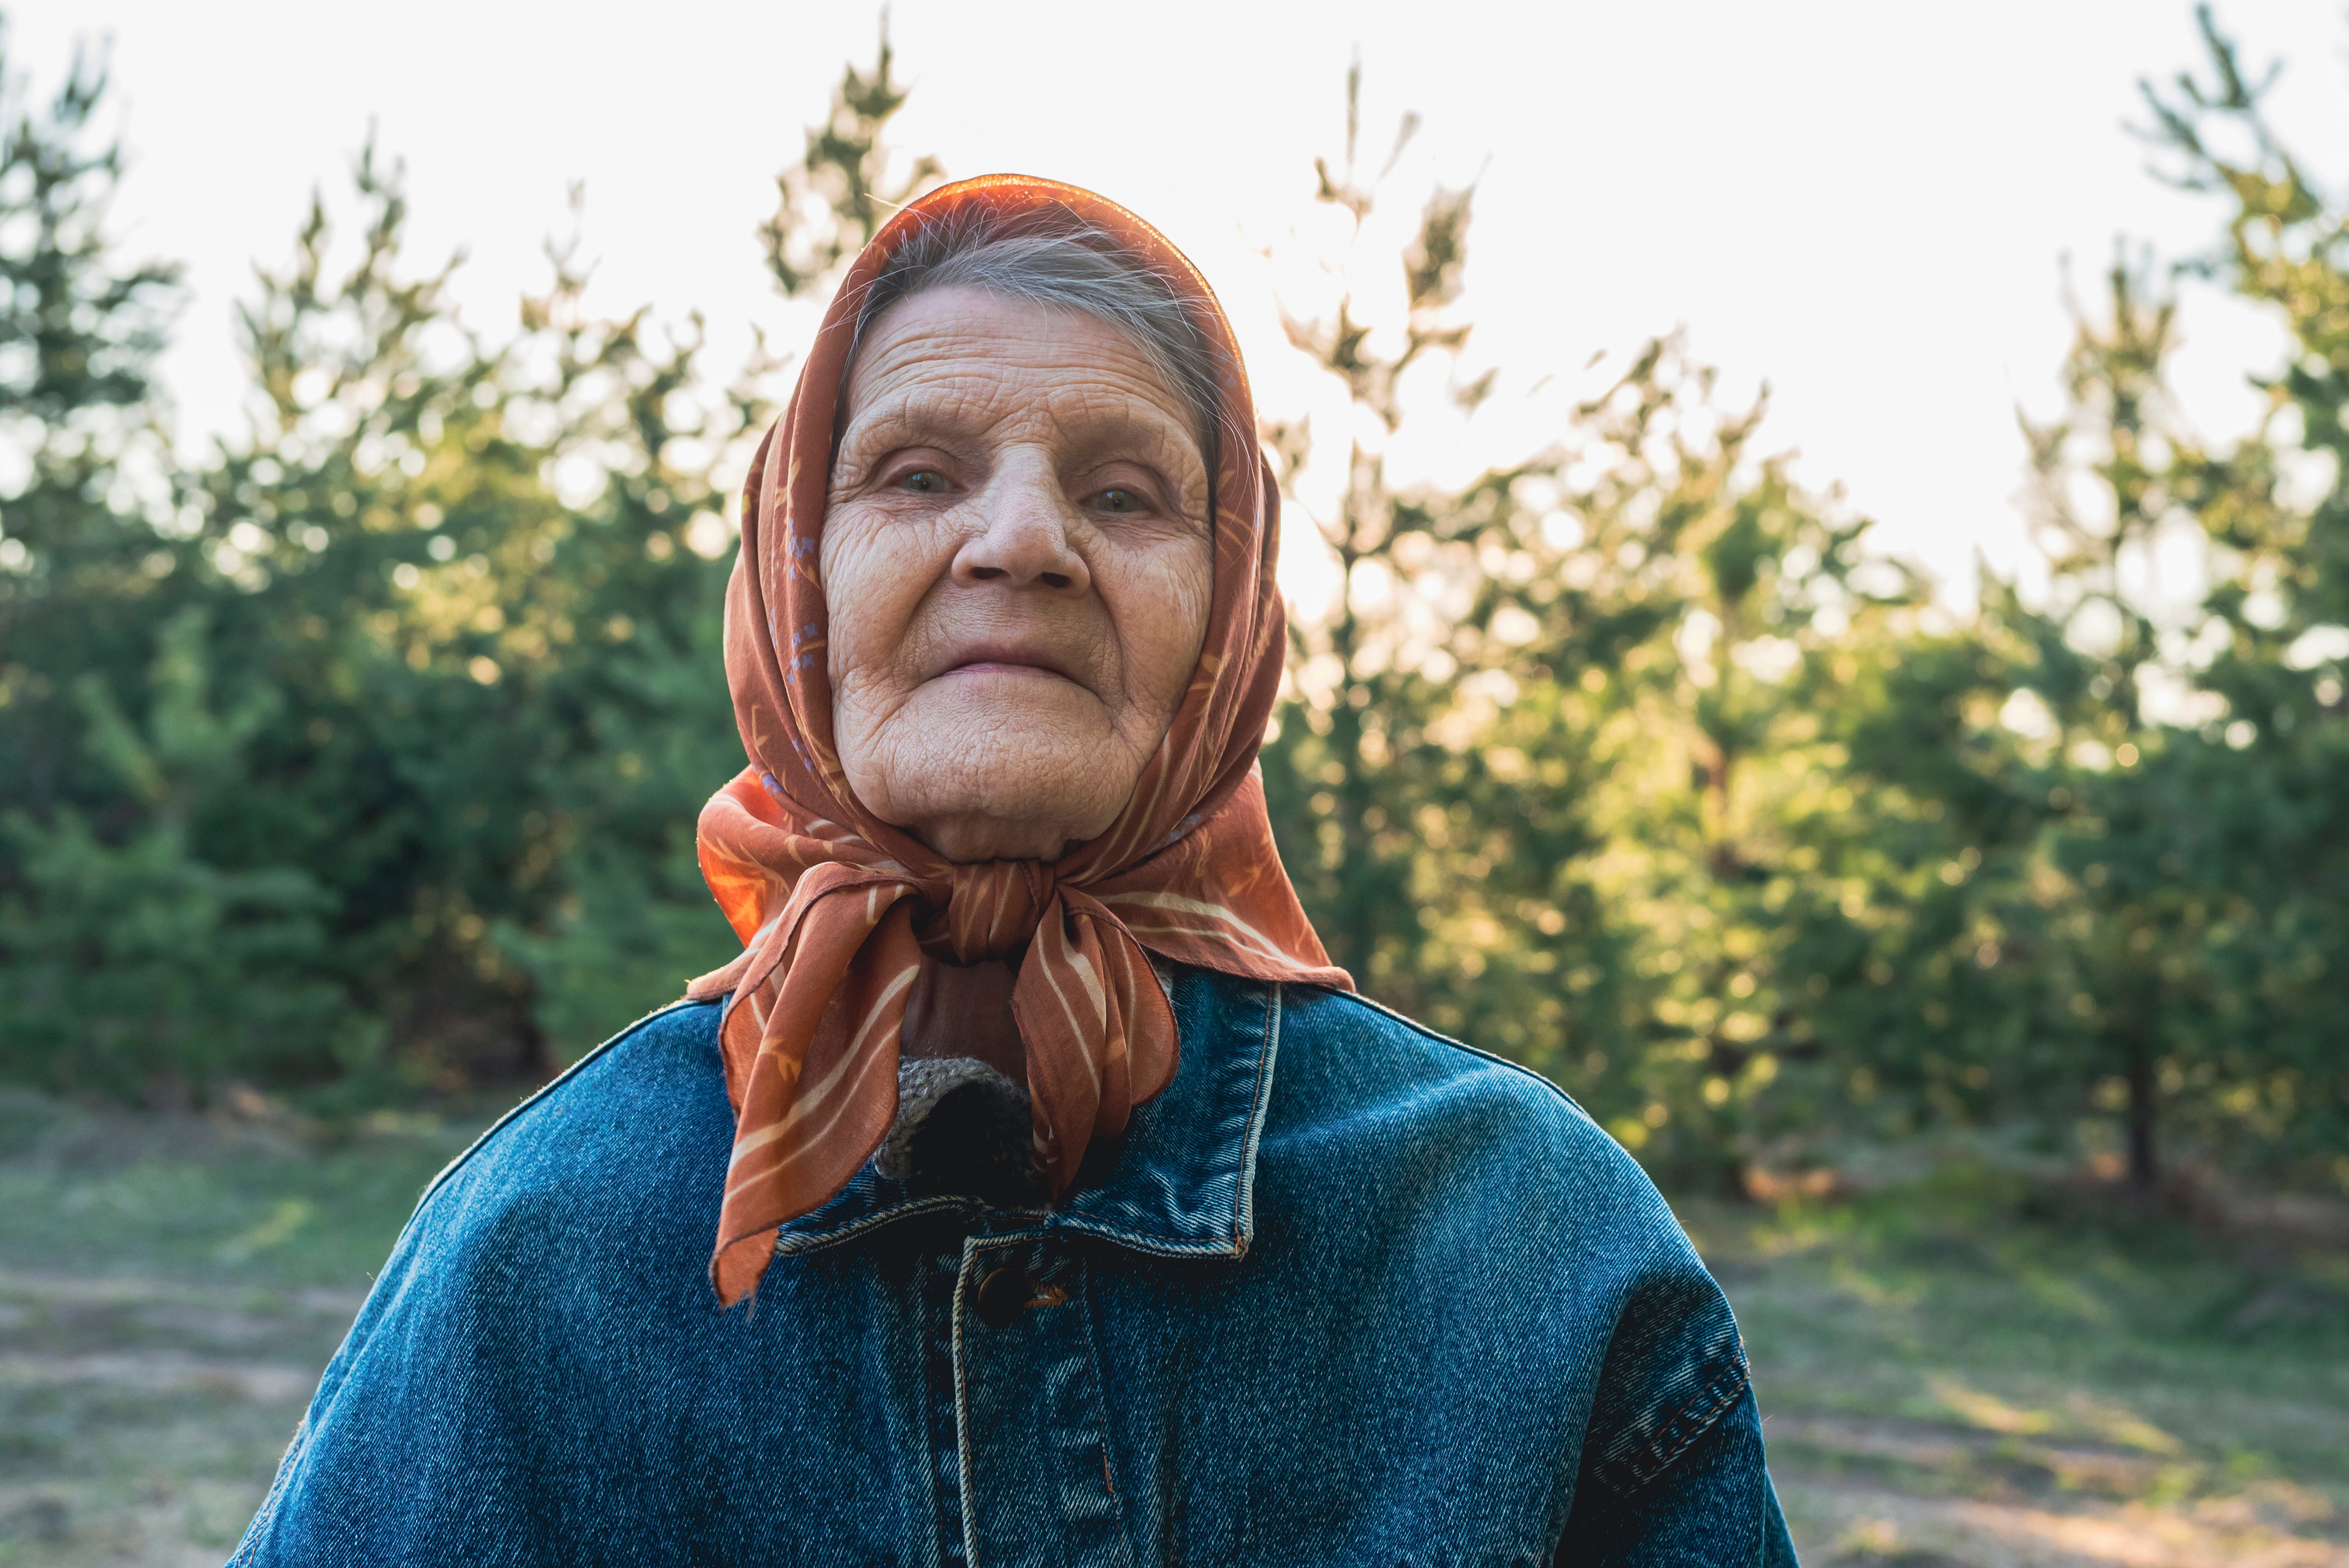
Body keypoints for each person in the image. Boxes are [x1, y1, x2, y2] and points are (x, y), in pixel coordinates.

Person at [227, 174, 1800, 1568]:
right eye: (918, 474)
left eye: (1126, 493)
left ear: (1225, 620)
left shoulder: (1528, 1241)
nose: (1025, 540)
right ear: (803, 589)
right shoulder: (541, 1246)